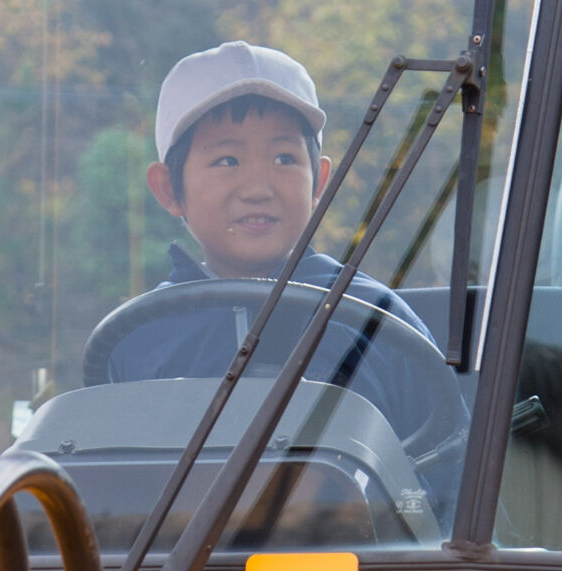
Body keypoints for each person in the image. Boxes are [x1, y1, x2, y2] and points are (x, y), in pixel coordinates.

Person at [101, 41, 456, 454]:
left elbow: (447, 481)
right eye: (227, 160)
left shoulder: (378, 323)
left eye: (284, 158)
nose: (258, 189)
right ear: (168, 189)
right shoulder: (139, 339)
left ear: (319, 182)